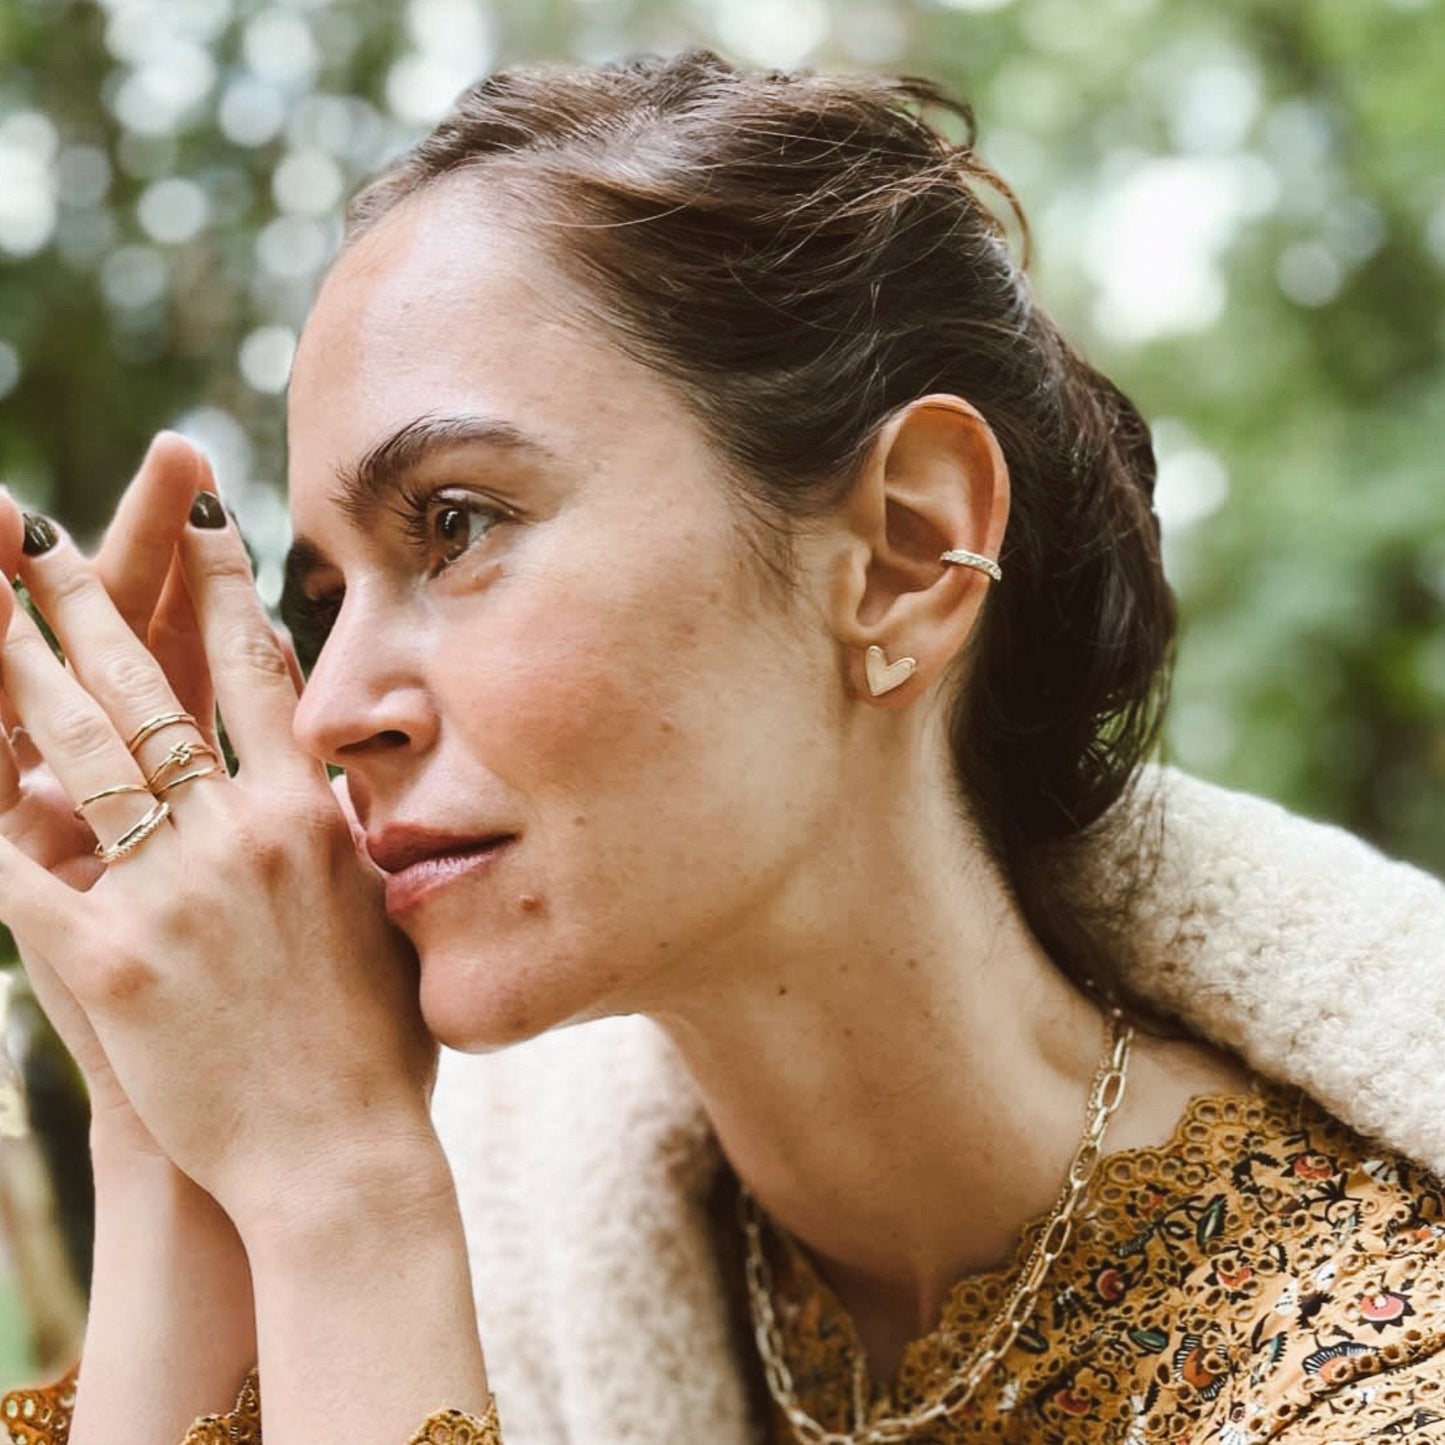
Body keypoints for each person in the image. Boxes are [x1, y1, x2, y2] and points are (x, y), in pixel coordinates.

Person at [1, 49, 1443, 1445]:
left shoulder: (1370, 1363)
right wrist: (168, 1132)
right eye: (322, 599)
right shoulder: (525, 1258)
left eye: (455, 524)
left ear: (904, 555)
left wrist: (339, 1186)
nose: (325, 710)